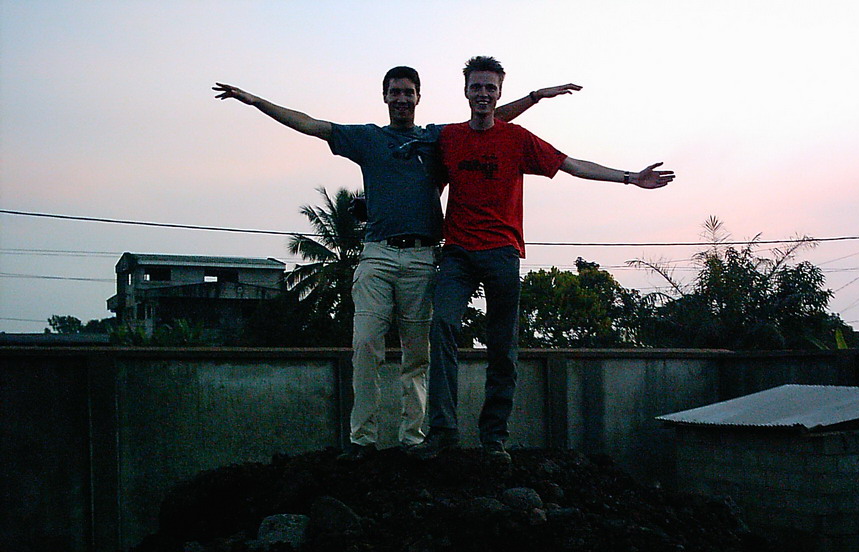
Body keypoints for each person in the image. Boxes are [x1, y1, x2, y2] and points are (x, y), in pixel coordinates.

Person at [213, 70, 580, 460]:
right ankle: (362, 440)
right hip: (377, 255)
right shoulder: (368, 138)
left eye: (408, 92)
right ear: (385, 97)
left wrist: (533, 97)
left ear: (418, 97)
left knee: (417, 354)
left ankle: (414, 438)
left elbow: (487, 118)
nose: (402, 99)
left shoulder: (436, 137)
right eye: (395, 93)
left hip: (423, 258)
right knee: (366, 345)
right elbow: (310, 124)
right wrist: (257, 102)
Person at [411, 56, 674, 461]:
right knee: (442, 327)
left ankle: (493, 437)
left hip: (502, 252)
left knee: (503, 345)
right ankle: (442, 431)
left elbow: (572, 165)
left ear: (499, 92)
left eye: (490, 88)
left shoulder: (517, 139)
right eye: (476, 87)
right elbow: (421, 183)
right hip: (458, 253)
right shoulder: (448, 138)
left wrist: (629, 177)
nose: (483, 94)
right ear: (465, 91)